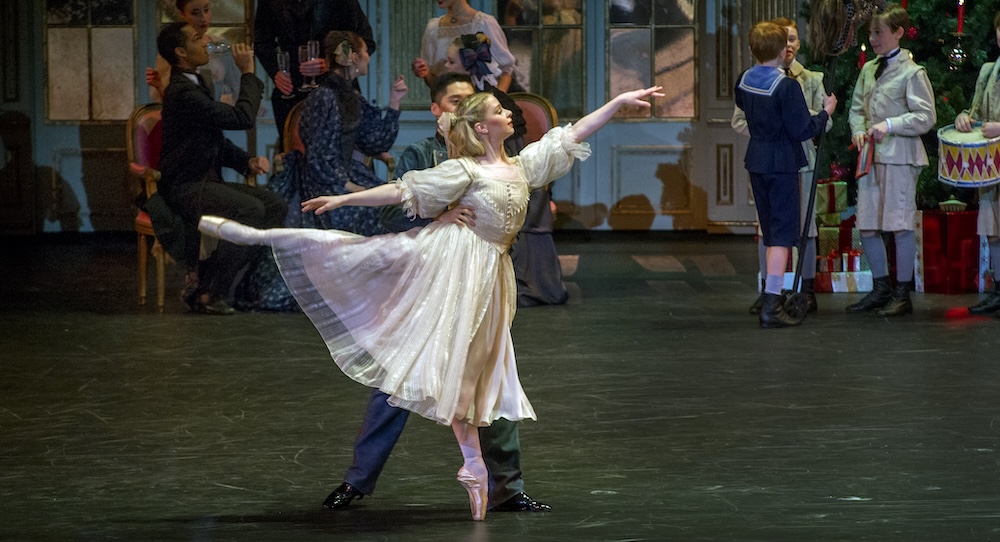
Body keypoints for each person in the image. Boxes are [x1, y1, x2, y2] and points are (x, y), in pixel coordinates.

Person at [197, 85, 665, 520]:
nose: (509, 113)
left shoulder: (520, 165)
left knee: (489, 373)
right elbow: (402, 194)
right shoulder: (443, 160)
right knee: (409, 369)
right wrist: (347, 201)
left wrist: (619, 101)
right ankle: (370, 479)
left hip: (488, 276)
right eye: (494, 109)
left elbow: (570, 133)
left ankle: (502, 484)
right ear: (465, 119)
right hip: (442, 270)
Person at [324, 73, 550, 515]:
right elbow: (393, 207)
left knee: (490, 377)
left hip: (475, 284)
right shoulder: (422, 155)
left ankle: (506, 487)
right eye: (454, 100)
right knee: (400, 378)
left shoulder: (494, 157)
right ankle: (358, 481)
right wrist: (442, 216)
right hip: (427, 284)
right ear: (437, 110)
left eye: (470, 99)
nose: (463, 107)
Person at [234, 30, 406, 312]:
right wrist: (351, 190)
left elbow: (375, 141)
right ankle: (348, 290)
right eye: (364, 53)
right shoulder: (324, 97)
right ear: (351, 56)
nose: (367, 59)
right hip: (318, 182)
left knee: (391, 210)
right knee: (366, 211)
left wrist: (395, 101)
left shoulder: (350, 96)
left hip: (343, 174)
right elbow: (319, 158)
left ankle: (374, 291)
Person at [156, 21, 286, 315]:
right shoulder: (181, 92)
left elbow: (214, 139)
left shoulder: (197, 82)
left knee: (275, 205)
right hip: (186, 186)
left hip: (205, 182)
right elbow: (242, 117)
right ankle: (210, 291)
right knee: (250, 210)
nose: (205, 42)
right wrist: (248, 73)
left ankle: (209, 283)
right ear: (180, 52)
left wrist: (245, 161)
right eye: (196, 39)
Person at [444, 33, 568, 307]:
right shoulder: (473, 105)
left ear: (466, 64)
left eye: (452, 61)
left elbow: (511, 159)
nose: (447, 66)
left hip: (511, 189)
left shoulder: (489, 107)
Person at [735, 21, 836, 328]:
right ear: (781, 52)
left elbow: (744, 106)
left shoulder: (744, 80)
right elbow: (801, 129)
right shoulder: (786, 86)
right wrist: (825, 113)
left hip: (757, 159)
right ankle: (772, 303)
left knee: (769, 228)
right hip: (781, 162)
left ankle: (770, 298)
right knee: (780, 234)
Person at [846, 4, 936, 316]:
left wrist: (890, 125)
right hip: (871, 157)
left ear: (897, 33)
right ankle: (880, 287)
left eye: (879, 32)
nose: (872, 38)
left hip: (899, 157)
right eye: (870, 32)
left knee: (898, 224)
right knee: (868, 223)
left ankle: (902, 292)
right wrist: (858, 129)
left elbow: (926, 117)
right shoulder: (869, 69)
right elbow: (857, 107)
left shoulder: (912, 73)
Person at [253, 0, 375, 143]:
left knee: (348, 148)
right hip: (291, 88)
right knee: (294, 151)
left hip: (338, 87)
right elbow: (262, 42)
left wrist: (333, 61)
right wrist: (275, 72)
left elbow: (365, 42)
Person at [953, 12, 1000, 316]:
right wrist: (964, 118)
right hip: (991, 163)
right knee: (994, 228)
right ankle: (998, 288)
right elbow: (976, 111)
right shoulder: (988, 70)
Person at [146, 0, 243, 105]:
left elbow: (237, 88)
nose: (203, 18)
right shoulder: (173, 47)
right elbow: (164, 99)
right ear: (182, 14)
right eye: (195, 13)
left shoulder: (220, 45)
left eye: (206, 10)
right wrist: (159, 86)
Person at [412, 0, 515, 92]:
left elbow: (506, 69)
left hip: (481, 103)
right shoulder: (433, 28)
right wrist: (425, 74)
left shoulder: (484, 23)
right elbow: (435, 82)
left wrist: (497, 100)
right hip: (448, 105)